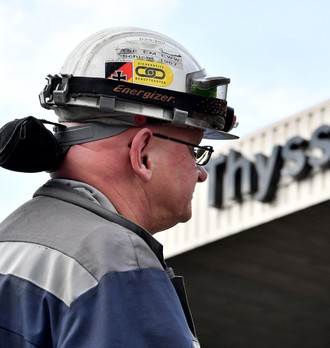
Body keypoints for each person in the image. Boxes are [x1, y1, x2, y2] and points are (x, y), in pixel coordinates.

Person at [0, 27, 238, 347]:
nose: (201, 174)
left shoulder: (10, 241)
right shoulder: (114, 259)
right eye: (194, 151)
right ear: (142, 154)